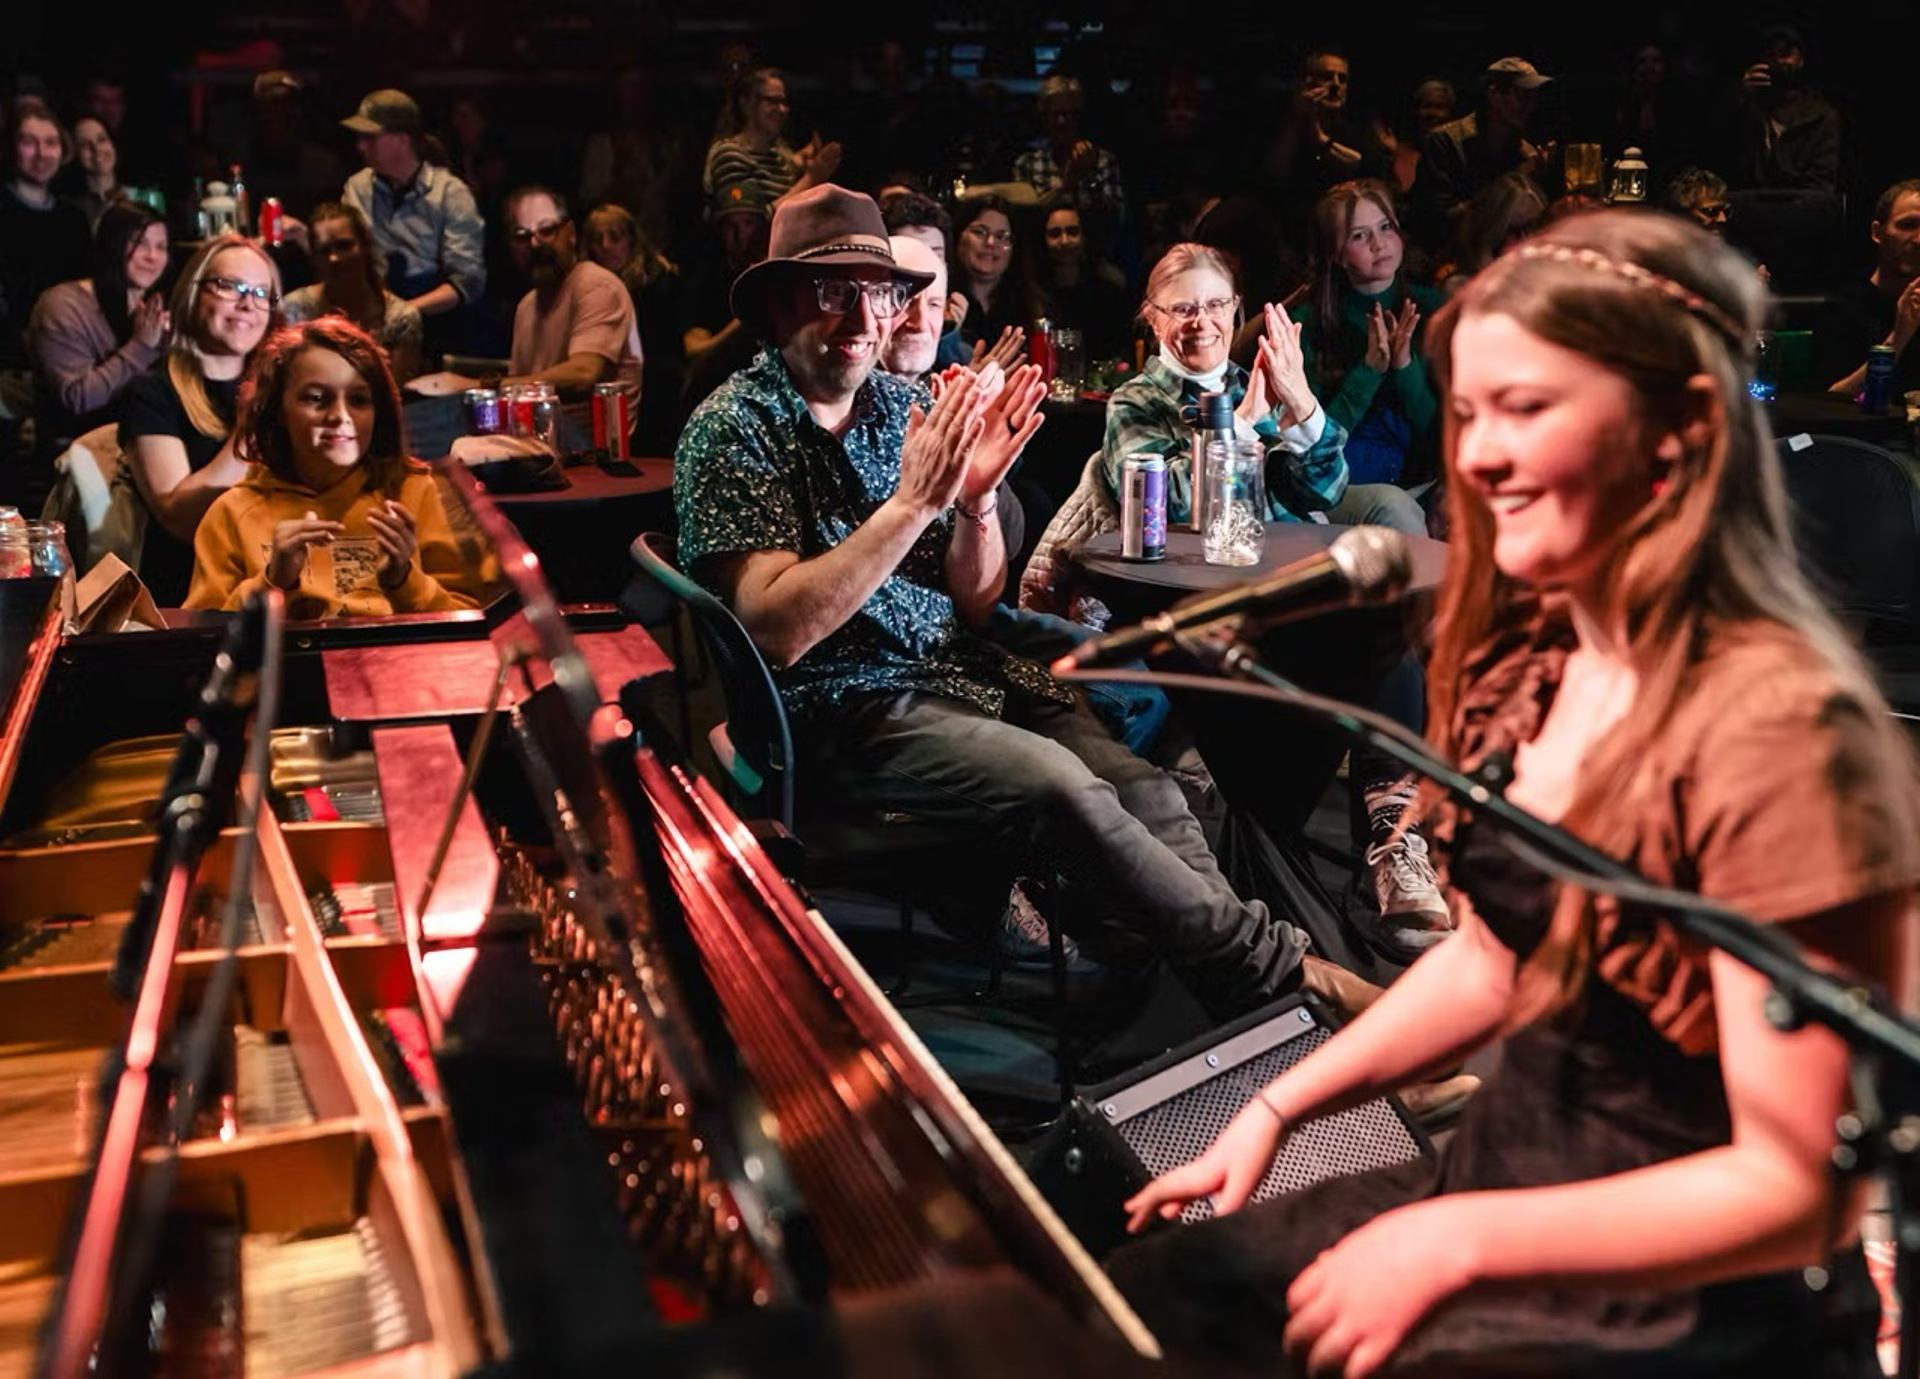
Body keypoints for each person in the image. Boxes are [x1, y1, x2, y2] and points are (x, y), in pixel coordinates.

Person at [1109, 208, 1920, 1378]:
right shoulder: (1538, 660)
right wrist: (1279, 1110)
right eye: (1473, 412)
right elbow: (1498, 957)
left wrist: (1453, 1241)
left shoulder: (1785, 731)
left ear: (1677, 430)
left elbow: (1797, 1187)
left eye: (1527, 408)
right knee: (1160, 1290)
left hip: (1678, 1294)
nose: (1478, 456)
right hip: (1511, 1163)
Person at [673, 183, 1386, 1025]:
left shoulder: (900, 406)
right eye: (834, 292)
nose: (864, 318)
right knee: (1068, 789)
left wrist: (972, 505)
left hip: (956, 671)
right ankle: (1289, 983)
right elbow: (777, 631)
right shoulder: (733, 427)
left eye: (879, 292)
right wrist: (911, 507)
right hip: (839, 709)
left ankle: (1231, 993)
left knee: (1148, 790)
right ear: (778, 301)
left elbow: (975, 602)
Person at [186, 318, 481, 617]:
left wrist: (405, 579)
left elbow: (470, 625)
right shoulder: (231, 514)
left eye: (359, 400)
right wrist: (273, 582)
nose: (341, 416)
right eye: (316, 398)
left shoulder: (417, 493)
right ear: (276, 410)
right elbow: (201, 640)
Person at [119, 234, 280, 605]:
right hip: (191, 598)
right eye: (230, 286)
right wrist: (248, 430)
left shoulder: (284, 387)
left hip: (278, 581)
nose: (247, 304)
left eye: (260, 293)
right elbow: (179, 521)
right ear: (194, 293)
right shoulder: (151, 392)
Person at [1292, 180, 1442, 489]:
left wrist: (1404, 367)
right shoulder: (1310, 323)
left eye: (1386, 227)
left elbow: (1443, 433)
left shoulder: (1434, 308)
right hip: (1341, 486)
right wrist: (1369, 371)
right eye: (1360, 236)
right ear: (1336, 254)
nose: (1379, 243)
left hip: (1424, 480)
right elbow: (1312, 444)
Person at [340, 88, 486, 355]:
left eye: (370, 138)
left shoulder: (450, 193)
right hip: (376, 313)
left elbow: (468, 282)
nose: (360, 146)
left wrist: (407, 311)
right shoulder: (357, 188)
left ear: (402, 140)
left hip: (438, 321)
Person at [498, 186, 643, 443]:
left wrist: (487, 386)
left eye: (546, 230)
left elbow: (583, 374)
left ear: (571, 234)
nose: (534, 243)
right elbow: (517, 393)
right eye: (522, 235)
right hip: (543, 444)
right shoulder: (526, 306)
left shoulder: (596, 285)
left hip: (594, 452)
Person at [28, 198, 170, 459]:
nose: (153, 256)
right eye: (139, 244)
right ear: (113, 245)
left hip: (138, 448)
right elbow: (77, 398)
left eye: (161, 246)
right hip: (77, 456)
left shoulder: (151, 310)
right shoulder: (63, 306)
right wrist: (141, 347)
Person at [1411, 57, 1552, 247]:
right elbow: (1435, 220)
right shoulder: (1445, 141)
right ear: (1494, 95)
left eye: (1533, 98)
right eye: (1522, 96)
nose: (1530, 106)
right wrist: (1512, 181)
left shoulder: (1525, 153)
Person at [282, 202, 423, 383]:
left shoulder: (401, 318)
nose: (334, 258)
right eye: (324, 251)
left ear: (365, 245)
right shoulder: (294, 309)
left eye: (344, 246)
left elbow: (397, 394)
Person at [583, 202, 685, 450]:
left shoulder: (658, 283)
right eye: (598, 239)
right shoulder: (587, 289)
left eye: (614, 237)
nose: (605, 246)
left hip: (656, 395)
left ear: (631, 239)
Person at [2, 100, 91, 368]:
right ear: (11, 148)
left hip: (68, 350)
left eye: (51, 143)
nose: (41, 153)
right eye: (29, 142)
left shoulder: (73, 219)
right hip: (12, 358)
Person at [1819, 179, 1920, 401]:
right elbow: (1833, 400)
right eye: (1908, 225)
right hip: (1868, 432)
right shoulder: (1845, 304)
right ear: (1877, 232)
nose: (1919, 240)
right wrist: (1899, 336)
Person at [680, 176, 772, 413]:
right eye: (731, 226)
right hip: (723, 401)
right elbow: (695, 351)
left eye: (749, 223)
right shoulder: (709, 281)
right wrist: (744, 317)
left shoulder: (778, 275)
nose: (740, 235)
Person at [702, 67, 840, 217]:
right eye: (772, 101)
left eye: (783, 102)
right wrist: (811, 179)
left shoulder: (780, 160)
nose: (782, 109)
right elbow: (749, 223)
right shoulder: (730, 154)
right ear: (746, 103)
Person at [1732, 24, 1839, 195]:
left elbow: (1821, 185)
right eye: (1770, 55)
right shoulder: (1745, 108)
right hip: (1745, 207)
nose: (1778, 62)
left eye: (1785, 54)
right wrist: (1741, 100)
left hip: (1798, 211)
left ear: (1801, 60)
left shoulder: (1821, 116)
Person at [1011, 75, 1125, 225]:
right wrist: (1067, 184)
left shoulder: (1103, 161)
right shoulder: (1027, 164)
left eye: (1068, 114)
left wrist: (1090, 176)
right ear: (1044, 117)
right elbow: (1024, 221)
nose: (1062, 122)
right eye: (1055, 114)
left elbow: (1116, 221)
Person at [1036, 194, 1131, 363]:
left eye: (1072, 232)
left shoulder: (1107, 293)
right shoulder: (1032, 294)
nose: (1064, 241)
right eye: (1055, 234)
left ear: (1084, 236)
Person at [950, 195, 1039, 353]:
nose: (990, 242)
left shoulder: (1031, 306)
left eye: (1001, 237)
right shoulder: (941, 300)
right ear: (959, 236)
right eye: (980, 232)